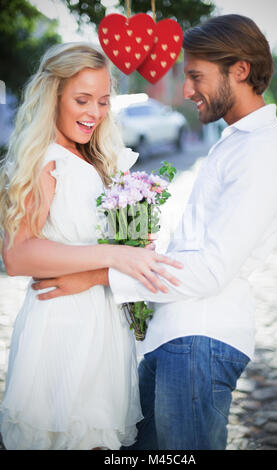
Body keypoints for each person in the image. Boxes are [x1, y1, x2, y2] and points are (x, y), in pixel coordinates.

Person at [29, 15, 277, 450]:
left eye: (196, 76)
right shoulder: (235, 141)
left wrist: (98, 276)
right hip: (176, 336)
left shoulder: (263, 151)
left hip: (200, 341)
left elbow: (210, 270)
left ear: (240, 70)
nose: (187, 90)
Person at [0, 42, 183, 451]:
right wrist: (116, 255)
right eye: (82, 100)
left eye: (103, 101)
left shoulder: (97, 159)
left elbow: (118, 250)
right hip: (62, 324)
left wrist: (123, 252)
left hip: (103, 321)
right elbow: (17, 255)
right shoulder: (45, 158)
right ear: (54, 95)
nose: (95, 113)